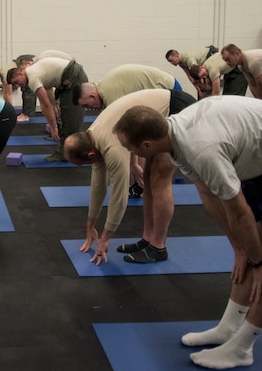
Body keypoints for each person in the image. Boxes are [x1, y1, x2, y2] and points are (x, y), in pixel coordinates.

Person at [112, 96, 262, 370]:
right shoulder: (176, 140)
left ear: (147, 146)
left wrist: (256, 262)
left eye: (128, 147)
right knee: (251, 247)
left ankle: (242, 347)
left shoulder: (201, 149)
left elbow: (238, 212)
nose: (127, 151)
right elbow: (208, 195)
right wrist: (240, 249)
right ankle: (229, 327)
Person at [64, 89, 195, 265]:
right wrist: (90, 224)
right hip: (156, 115)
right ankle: (147, 240)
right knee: (147, 179)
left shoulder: (111, 148)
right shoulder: (92, 137)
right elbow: (98, 185)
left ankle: (158, 247)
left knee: (159, 180)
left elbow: (119, 197)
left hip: (176, 109)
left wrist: (106, 237)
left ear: (90, 155)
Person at [10, 56, 87, 161]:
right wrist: (55, 106)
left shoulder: (32, 78)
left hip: (74, 78)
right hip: (66, 81)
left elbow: (46, 106)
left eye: (16, 82)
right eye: (15, 85)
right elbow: (49, 94)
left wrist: (53, 129)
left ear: (20, 74)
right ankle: (65, 152)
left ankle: (73, 153)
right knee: (63, 116)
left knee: (71, 119)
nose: (18, 86)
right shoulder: (32, 70)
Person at [73, 64, 181, 111]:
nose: (88, 109)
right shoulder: (104, 87)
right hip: (167, 87)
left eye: (86, 105)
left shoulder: (109, 93)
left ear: (92, 96)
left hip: (171, 91)